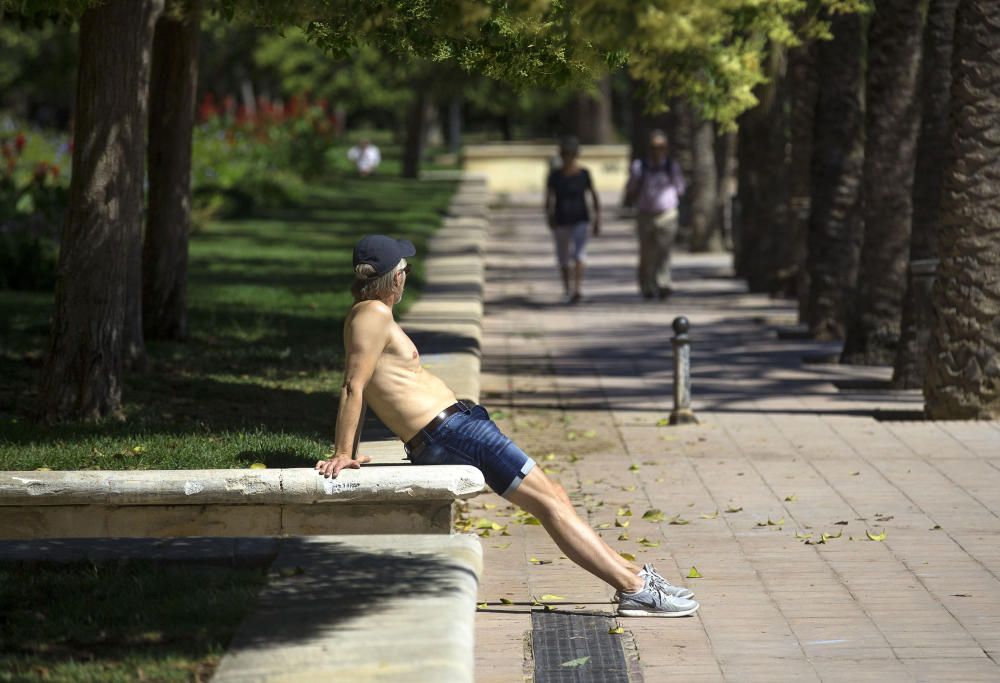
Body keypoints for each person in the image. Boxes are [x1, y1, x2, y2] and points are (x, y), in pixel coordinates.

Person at [315, 234, 699, 618]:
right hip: (451, 433)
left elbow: (365, 384)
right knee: (548, 504)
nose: (406, 278)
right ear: (393, 278)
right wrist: (342, 453)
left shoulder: (370, 314)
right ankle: (634, 589)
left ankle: (634, 575)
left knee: (555, 494)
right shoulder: (372, 314)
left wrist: (349, 449)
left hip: (457, 428)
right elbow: (353, 385)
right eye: (405, 270)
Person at [624, 130, 686, 300]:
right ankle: (647, 286)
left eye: (661, 147)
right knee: (647, 254)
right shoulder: (640, 166)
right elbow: (631, 188)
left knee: (664, 251)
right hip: (645, 215)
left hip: (667, 215)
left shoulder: (671, 167)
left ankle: (663, 283)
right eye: (654, 147)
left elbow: (680, 188)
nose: (657, 151)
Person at [545, 137, 601, 304]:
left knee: (579, 255)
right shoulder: (555, 176)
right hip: (561, 219)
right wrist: (549, 216)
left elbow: (593, 195)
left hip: (580, 219)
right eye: (565, 154)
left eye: (571, 154)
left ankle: (577, 288)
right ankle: (566, 288)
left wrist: (597, 218)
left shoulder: (584, 174)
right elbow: (549, 198)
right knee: (563, 257)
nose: (568, 157)